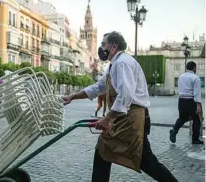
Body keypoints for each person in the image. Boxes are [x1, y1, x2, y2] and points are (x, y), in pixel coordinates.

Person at [63, 31, 178, 182]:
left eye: (103, 44)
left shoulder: (122, 63)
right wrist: (73, 97)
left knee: (145, 160)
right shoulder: (113, 65)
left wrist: (107, 118)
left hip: (132, 119)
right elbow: (98, 87)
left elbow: (125, 96)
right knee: (103, 151)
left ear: (113, 46)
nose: (101, 47)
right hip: (124, 118)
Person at [170, 61, 204, 144]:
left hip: (181, 100)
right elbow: (197, 92)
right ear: (194, 68)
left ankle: (174, 130)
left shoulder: (181, 77)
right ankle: (195, 139)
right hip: (191, 101)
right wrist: (198, 105)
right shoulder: (195, 78)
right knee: (196, 120)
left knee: (182, 118)